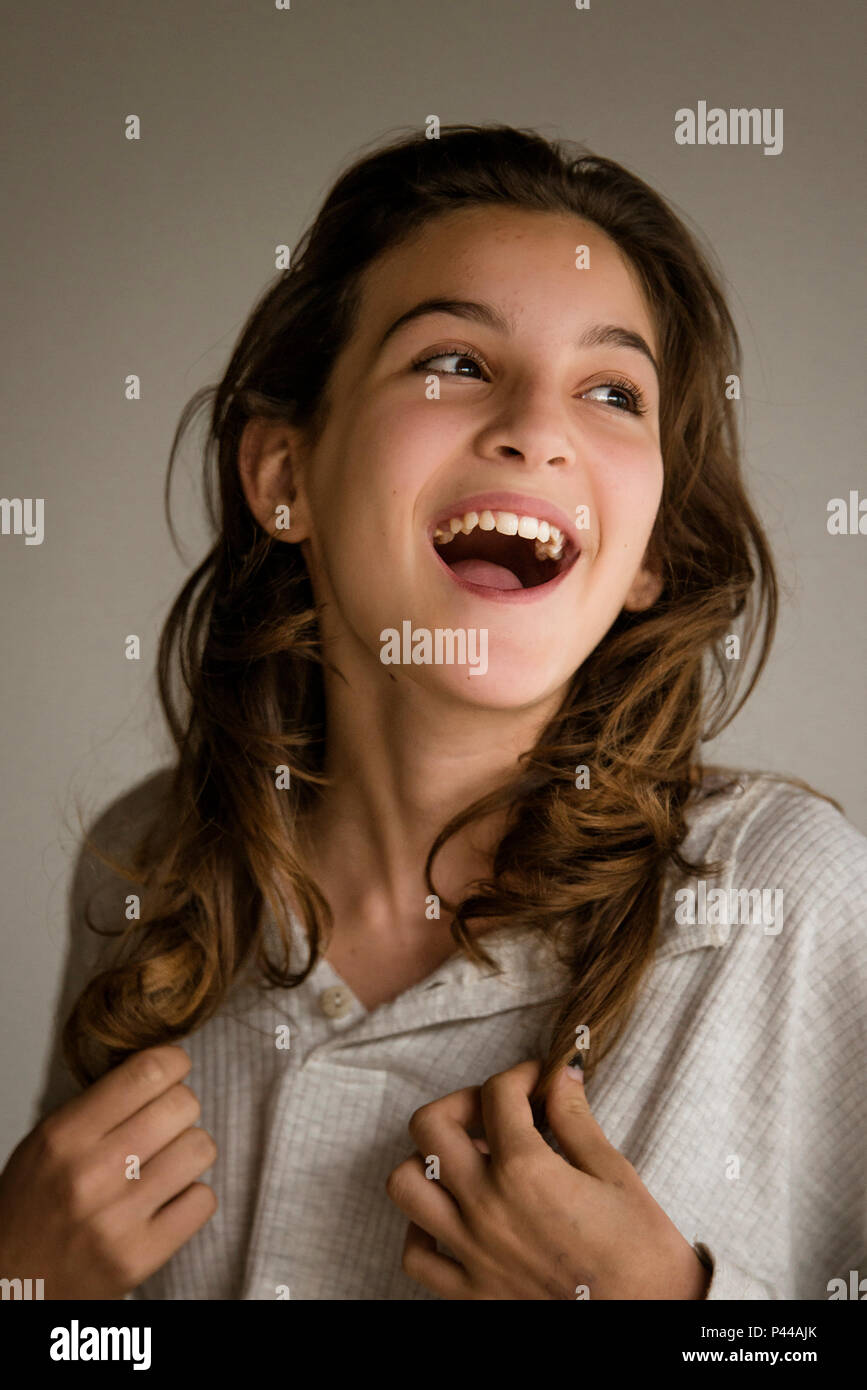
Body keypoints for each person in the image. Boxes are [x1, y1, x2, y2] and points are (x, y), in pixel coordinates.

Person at [2, 125, 864, 1301]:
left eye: (612, 390)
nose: (539, 427)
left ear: (652, 548)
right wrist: (28, 1297)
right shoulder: (148, 870)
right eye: (453, 361)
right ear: (284, 477)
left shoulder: (790, 906)